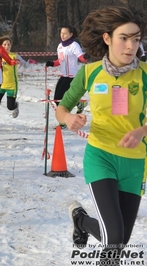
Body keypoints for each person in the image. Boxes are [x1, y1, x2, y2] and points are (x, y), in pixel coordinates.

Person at [55, 6, 146, 265]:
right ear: (107, 38)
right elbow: (62, 107)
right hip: (101, 156)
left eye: (136, 39)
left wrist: (142, 131)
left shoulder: (145, 74)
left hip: (135, 163)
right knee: (113, 236)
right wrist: (69, 118)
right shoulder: (90, 71)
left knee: (118, 243)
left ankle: (80, 221)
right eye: (124, 38)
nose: (131, 46)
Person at [46, 26, 88, 127]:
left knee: (60, 99)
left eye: (65, 33)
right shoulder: (60, 46)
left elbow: (82, 58)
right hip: (64, 76)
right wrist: (52, 63)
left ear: (71, 34)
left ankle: (64, 122)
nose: (62, 35)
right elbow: (60, 61)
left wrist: (86, 56)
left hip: (72, 76)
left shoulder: (74, 45)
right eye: (61, 33)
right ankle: (79, 104)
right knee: (57, 98)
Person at [0, 36, 28, 120]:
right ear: (1, 46)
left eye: (8, 44)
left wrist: (22, 63)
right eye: (4, 44)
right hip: (0, 84)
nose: (7, 46)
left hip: (12, 85)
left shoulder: (14, 56)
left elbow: (25, 64)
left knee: (10, 107)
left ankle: (15, 105)